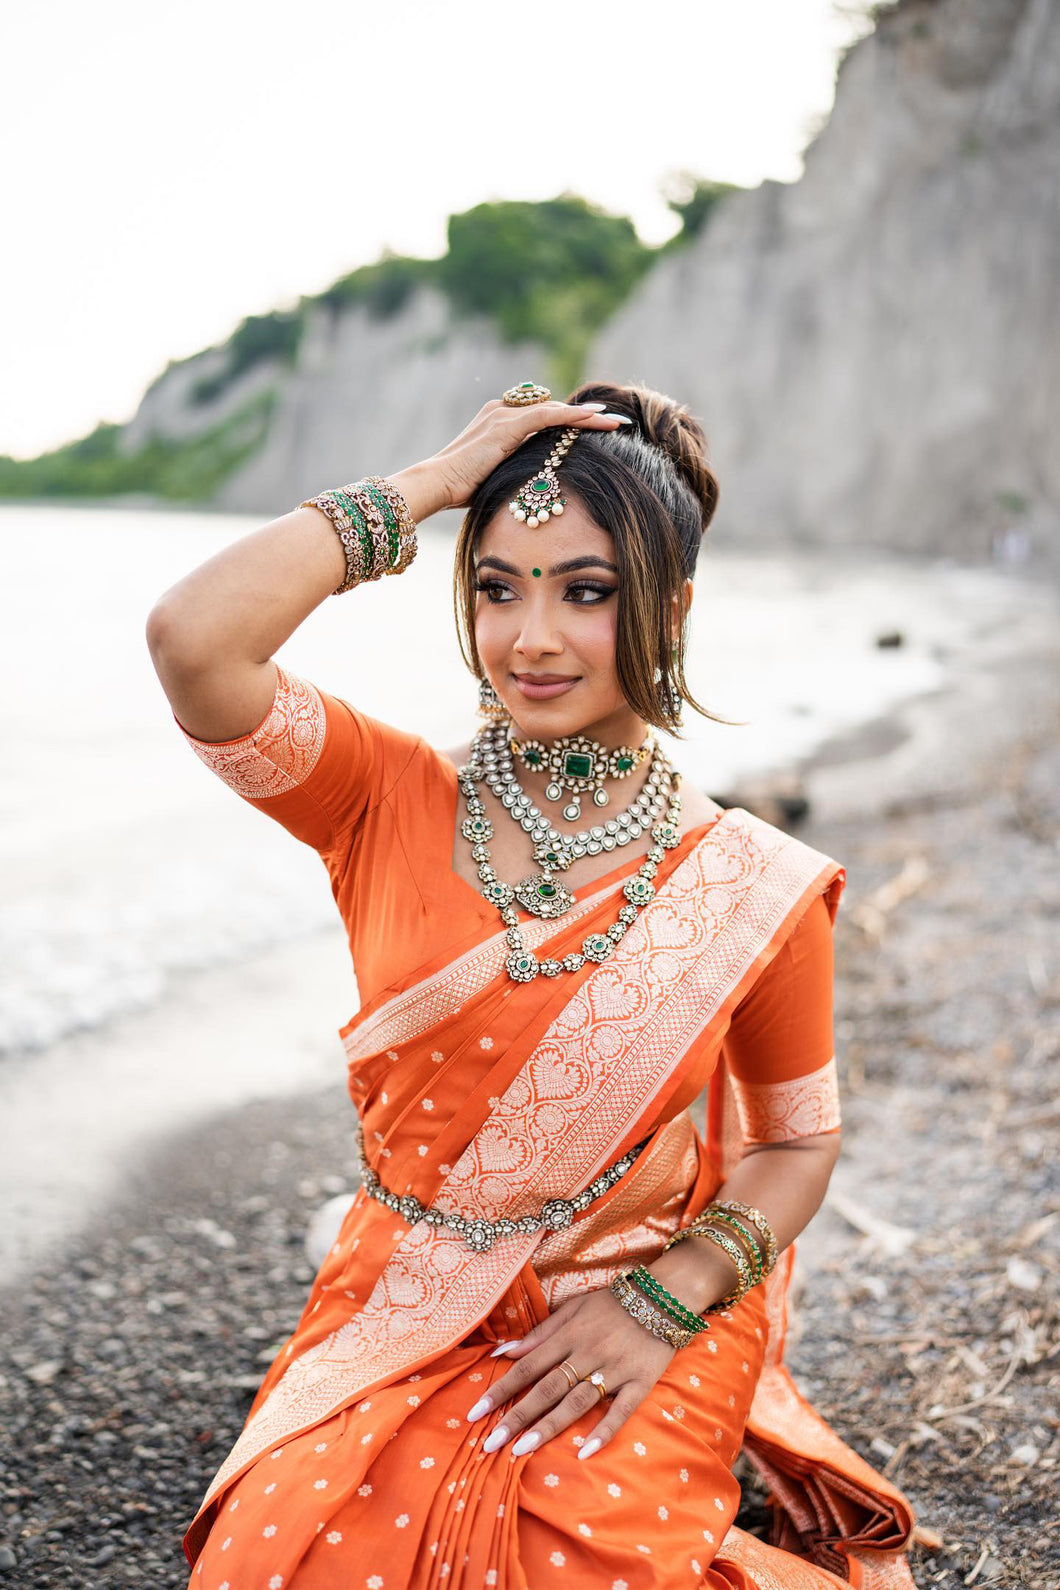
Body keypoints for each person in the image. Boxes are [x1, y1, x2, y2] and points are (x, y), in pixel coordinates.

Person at [146, 380, 917, 1589]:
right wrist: (434, 484)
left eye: (588, 591)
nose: (532, 638)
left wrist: (668, 1301)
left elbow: (795, 1148)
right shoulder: (381, 799)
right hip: (397, 1300)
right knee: (281, 1567)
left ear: (673, 605)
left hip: (628, 1312)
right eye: (498, 587)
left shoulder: (748, 885)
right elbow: (196, 642)